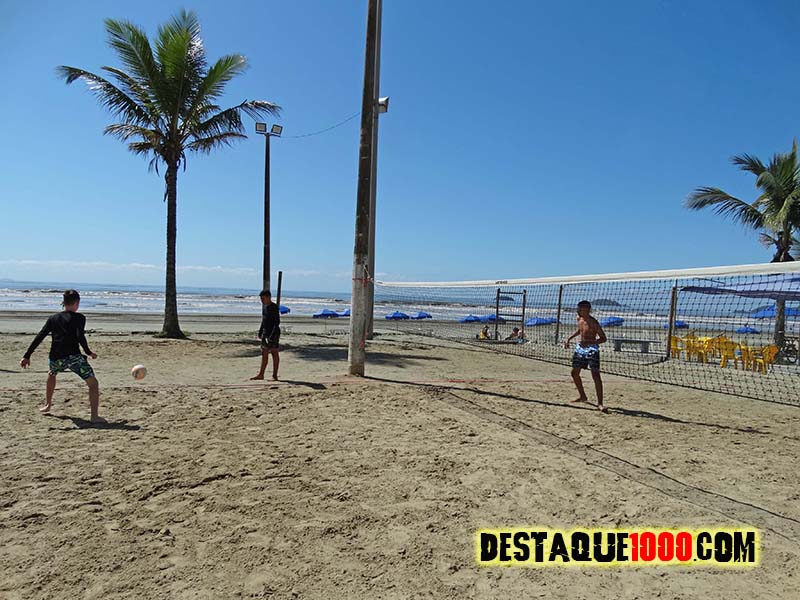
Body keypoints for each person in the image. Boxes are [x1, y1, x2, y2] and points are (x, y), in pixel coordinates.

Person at [19, 289, 105, 423]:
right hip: (73, 358)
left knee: (52, 374)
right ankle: (94, 416)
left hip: (56, 358)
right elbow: (80, 336)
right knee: (93, 384)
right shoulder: (79, 318)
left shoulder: (53, 318)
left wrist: (27, 356)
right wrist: (88, 352)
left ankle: (48, 405)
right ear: (77, 303)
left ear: (63, 302)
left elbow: (40, 336)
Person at [564, 300, 608, 413]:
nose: (578, 310)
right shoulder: (579, 319)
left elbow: (603, 338)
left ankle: (600, 404)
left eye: (580, 309)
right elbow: (580, 330)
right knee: (574, 373)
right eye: (578, 309)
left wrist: (590, 342)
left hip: (592, 349)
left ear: (587, 310)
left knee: (595, 375)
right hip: (581, 348)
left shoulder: (593, 322)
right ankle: (582, 396)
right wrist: (569, 338)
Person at [251, 290, 281, 381]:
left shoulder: (274, 307)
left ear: (269, 297)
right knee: (264, 353)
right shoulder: (265, 307)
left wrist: (272, 335)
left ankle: (274, 375)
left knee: (274, 353)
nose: (262, 301)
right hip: (265, 332)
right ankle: (261, 374)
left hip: (273, 333)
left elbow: (277, 322)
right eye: (261, 299)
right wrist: (260, 332)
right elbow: (263, 320)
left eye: (263, 299)